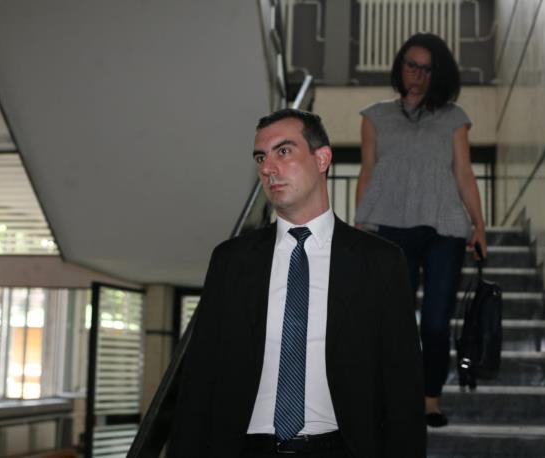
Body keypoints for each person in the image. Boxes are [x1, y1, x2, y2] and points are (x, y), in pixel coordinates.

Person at [167, 108, 426, 457]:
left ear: (322, 159)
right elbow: (199, 380)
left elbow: (403, 386)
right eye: (261, 157)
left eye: (283, 151)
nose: (267, 168)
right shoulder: (230, 261)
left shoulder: (380, 261)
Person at [355, 33, 488, 428]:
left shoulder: (454, 118)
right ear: (400, 67)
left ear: (438, 74)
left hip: (444, 229)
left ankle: (431, 399)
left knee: (435, 320)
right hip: (390, 229)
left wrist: (479, 225)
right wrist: (361, 224)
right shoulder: (374, 117)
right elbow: (367, 171)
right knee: (395, 322)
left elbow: (464, 173)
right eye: (411, 65)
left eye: (427, 69)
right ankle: (395, 396)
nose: (417, 74)